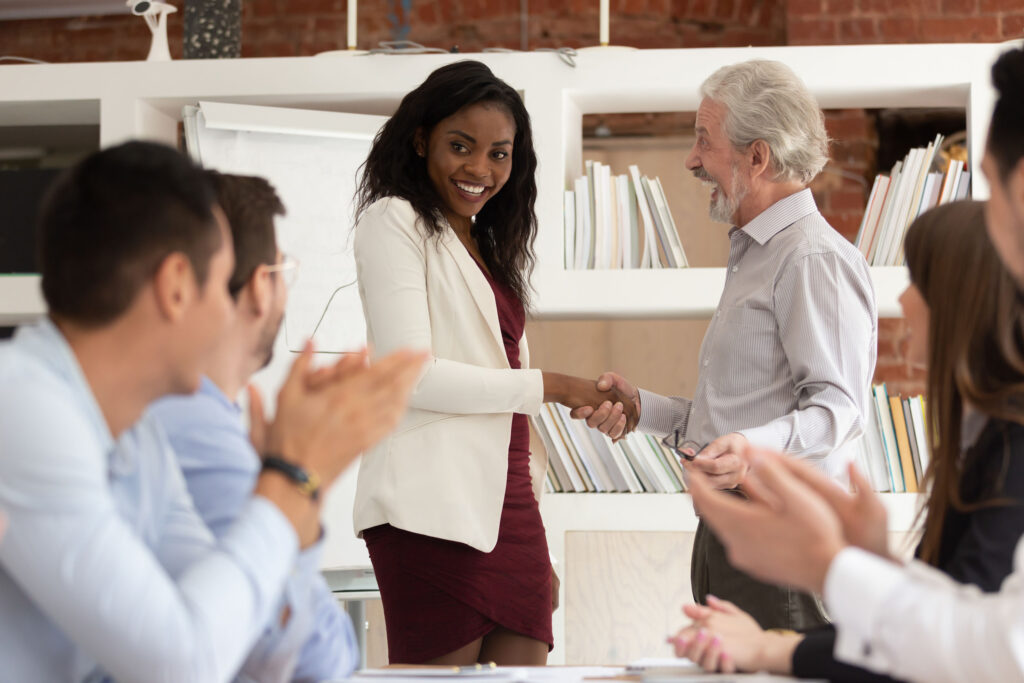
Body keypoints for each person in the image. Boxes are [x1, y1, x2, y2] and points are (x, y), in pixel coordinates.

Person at [0, 141, 426, 683]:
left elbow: (258, 654)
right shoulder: (23, 408)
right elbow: (182, 663)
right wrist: (290, 476)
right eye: (222, 288)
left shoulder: (141, 435)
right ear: (177, 286)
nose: (234, 312)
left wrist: (296, 491)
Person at [681, 45, 1024, 683]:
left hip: (781, 526)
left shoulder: (812, 257)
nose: (902, 302)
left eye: (705, 140)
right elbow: (943, 622)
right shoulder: (986, 444)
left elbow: (999, 646)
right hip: (746, 531)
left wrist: (831, 569)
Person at [574, 58, 878, 630]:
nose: (691, 159)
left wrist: (751, 449)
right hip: (729, 538)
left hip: (781, 544)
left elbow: (838, 411)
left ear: (756, 157)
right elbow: (743, 415)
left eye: (703, 140)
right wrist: (644, 410)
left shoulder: (811, 258)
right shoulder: (758, 256)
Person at [352, 60, 637, 666]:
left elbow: (502, 402)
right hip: (428, 510)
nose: (480, 169)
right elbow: (412, 375)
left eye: (499, 153)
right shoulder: (393, 221)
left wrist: (537, 541)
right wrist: (557, 386)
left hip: (510, 506)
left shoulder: (484, 243)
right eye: (461, 146)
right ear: (421, 138)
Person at [145, 171, 358, 682]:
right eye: (284, 270)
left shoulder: (185, 416)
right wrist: (298, 482)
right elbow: (314, 660)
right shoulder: (195, 426)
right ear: (263, 285)